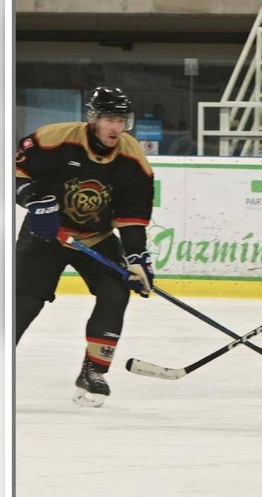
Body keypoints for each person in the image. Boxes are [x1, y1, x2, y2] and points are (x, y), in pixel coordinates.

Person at [14, 86, 156, 407]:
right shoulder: (55, 138)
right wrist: (34, 200)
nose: (116, 128)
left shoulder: (131, 158)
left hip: (97, 236)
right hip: (47, 234)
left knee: (116, 292)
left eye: (121, 120)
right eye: (109, 119)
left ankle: (93, 371)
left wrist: (136, 258)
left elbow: (132, 217)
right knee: (26, 301)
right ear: (92, 118)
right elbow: (16, 169)